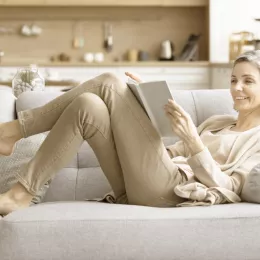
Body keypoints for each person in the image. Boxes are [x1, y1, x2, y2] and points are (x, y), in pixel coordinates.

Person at [1, 50, 260, 215]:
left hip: (173, 191)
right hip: (144, 181)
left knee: (109, 83)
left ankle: (12, 132)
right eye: (233, 79)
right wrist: (141, 115)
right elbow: (169, 152)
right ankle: (22, 194)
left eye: (248, 81)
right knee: (87, 106)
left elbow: (231, 188)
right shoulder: (218, 122)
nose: (237, 88)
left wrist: (194, 142)